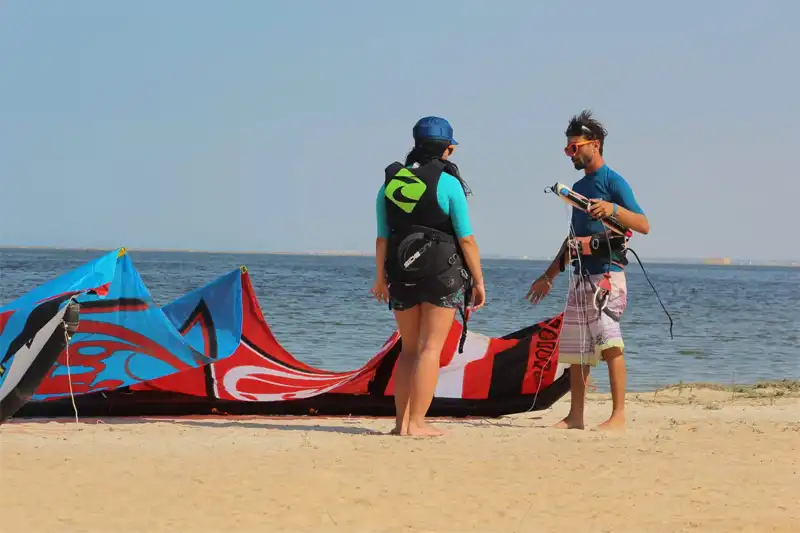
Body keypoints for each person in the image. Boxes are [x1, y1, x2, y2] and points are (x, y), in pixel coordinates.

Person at [526, 110, 650, 431]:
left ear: (594, 145)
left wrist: (614, 209)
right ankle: (575, 416)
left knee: (610, 345)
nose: (571, 154)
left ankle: (618, 416)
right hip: (579, 278)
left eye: (574, 147)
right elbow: (572, 241)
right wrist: (549, 276)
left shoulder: (613, 181)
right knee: (577, 351)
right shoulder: (578, 188)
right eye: (567, 149)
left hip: (607, 277)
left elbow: (643, 224)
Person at [370, 116, 486, 437]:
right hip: (442, 272)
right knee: (430, 348)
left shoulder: (390, 183)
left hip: (399, 270)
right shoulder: (448, 183)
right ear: (447, 150)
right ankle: (418, 423)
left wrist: (380, 278)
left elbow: (382, 238)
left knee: (408, 349)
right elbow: (466, 239)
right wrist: (478, 281)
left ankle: (400, 424)